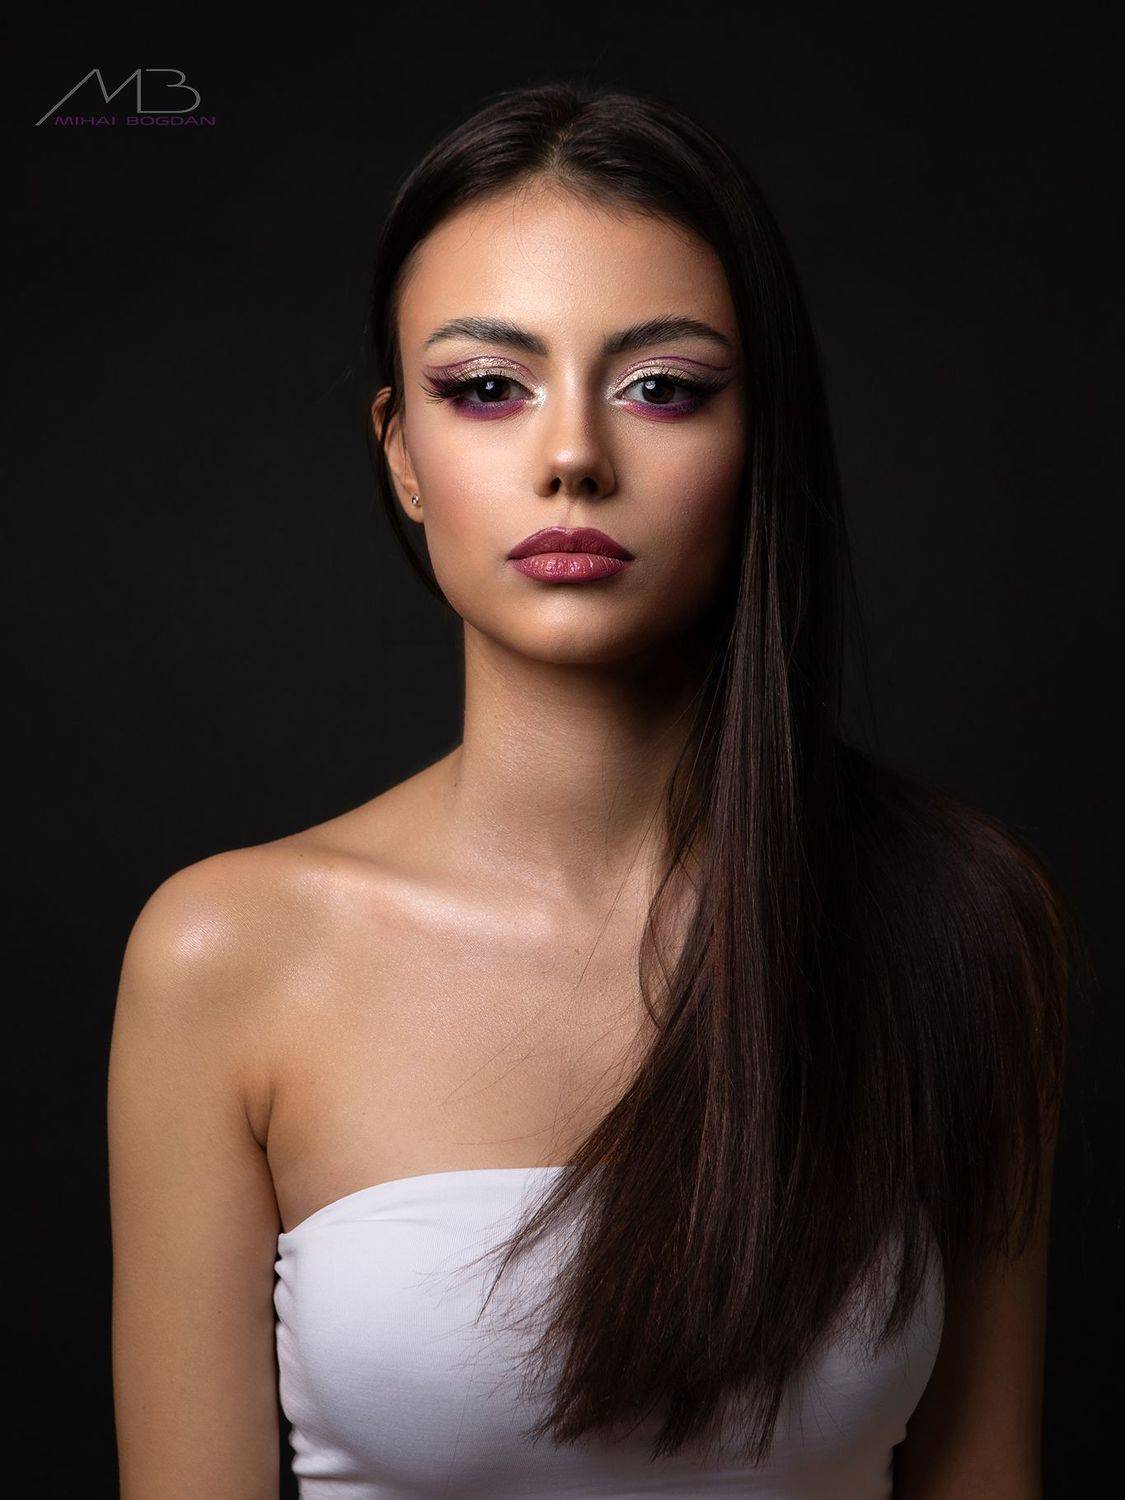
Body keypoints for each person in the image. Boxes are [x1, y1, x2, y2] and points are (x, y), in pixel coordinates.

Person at [108, 81, 1088, 1498]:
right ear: (400, 451)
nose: (572, 456)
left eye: (663, 387)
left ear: (759, 443)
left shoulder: (962, 928)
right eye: (485, 388)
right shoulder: (230, 956)